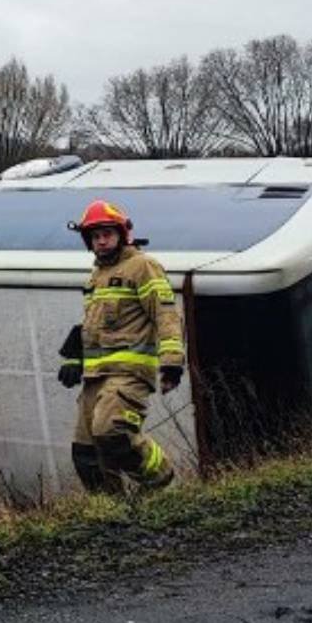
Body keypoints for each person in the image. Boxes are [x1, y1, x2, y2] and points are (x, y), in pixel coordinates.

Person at [58, 199, 183, 493]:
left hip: (128, 373)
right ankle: (114, 515)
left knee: (113, 433)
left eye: (107, 234)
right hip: (95, 377)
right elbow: (92, 327)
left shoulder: (143, 266)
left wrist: (172, 362)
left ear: (122, 234)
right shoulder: (97, 275)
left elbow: (165, 314)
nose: (101, 241)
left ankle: (160, 479)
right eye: (95, 236)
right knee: (85, 454)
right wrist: (76, 359)